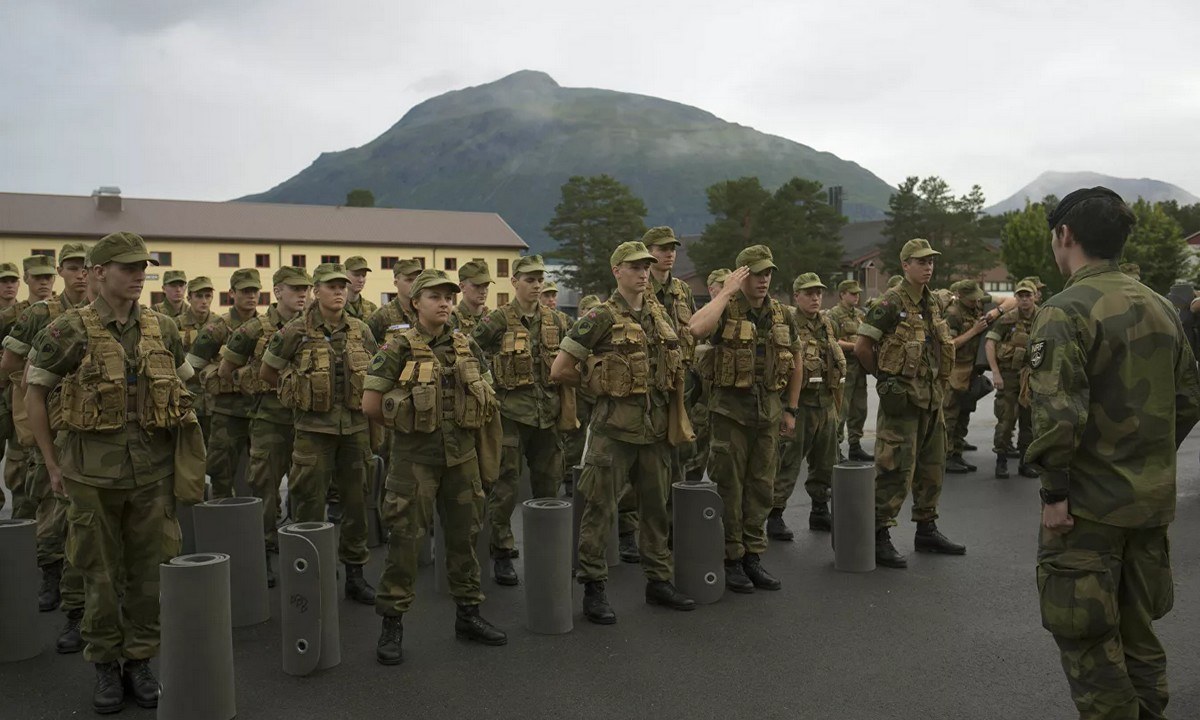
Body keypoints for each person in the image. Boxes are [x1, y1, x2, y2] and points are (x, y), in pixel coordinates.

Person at [1028, 187, 1200, 718]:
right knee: (1137, 631)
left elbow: (1057, 413)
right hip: (1146, 504)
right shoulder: (1161, 306)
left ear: (1065, 235)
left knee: (1086, 640)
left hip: (1088, 509)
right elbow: (1189, 399)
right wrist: (1146, 460)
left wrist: (1055, 492)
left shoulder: (1064, 310)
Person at [24, 231, 194, 714]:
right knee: (97, 574)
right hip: (90, 477)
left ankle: (138, 660)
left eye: (144, 266)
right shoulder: (69, 329)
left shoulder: (162, 328)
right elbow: (35, 391)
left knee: (146, 575)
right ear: (99, 272)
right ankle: (103, 663)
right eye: (127, 267)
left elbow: (186, 390)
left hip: (151, 474)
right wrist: (52, 464)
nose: (139, 275)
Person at [363, 269, 507, 664]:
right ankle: (392, 624)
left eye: (447, 296)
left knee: (465, 538)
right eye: (434, 297)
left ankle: (468, 615)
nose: (444, 303)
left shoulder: (466, 346)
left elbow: (488, 395)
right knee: (405, 543)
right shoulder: (397, 348)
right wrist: (406, 428)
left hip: (461, 460)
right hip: (414, 463)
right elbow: (371, 405)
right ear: (415, 304)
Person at [550, 241, 695, 623]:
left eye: (646, 266)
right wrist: (597, 388)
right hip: (613, 431)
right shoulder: (599, 316)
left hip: (655, 430)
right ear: (617, 271)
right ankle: (594, 587)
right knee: (600, 509)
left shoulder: (658, 313)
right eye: (634, 267)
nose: (643, 272)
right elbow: (561, 368)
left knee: (656, 509)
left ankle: (658, 581)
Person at [259, 263, 377, 605]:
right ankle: (310, 573)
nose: (339, 291)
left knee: (356, 503)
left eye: (342, 285)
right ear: (316, 290)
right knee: (310, 502)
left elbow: (375, 372)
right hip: (313, 431)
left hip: (354, 429)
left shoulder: (361, 330)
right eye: (331, 286)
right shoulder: (295, 331)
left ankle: (355, 573)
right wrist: (295, 393)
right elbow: (268, 371)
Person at [688, 245, 800, 593]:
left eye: (768, 273)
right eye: (756, 273)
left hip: (767, 414)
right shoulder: (725, 309)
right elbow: (696, 328)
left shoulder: (782, 314)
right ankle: (731, 559)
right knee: (730, 489)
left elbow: (796, 361)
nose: (764, 279)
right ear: (741, 274)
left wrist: (791, 409)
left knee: (761, 489)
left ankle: (753, 556)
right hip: (729, 416)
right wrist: (725, 293)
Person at [855, 238, 966, 569]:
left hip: (931, 401)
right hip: (902, 403)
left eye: (931, 261)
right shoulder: (890, 302)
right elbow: (863, 345)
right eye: (921, 261)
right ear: (905, 265)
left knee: (932, 468)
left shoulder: (931, 302)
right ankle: (877, 535)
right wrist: (883, 378)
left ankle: (926, 528)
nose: (928, 267)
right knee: (894, 469)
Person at [0, 242, 90, 618]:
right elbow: (10, 364)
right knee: (51, 508)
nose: (80, 273)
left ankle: (81, 590)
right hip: (48, 422)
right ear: (62, 272)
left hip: (88, 424)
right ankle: (51, 577)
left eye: (85, 266)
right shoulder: (40, 314)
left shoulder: (100, 314)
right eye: (72, 267)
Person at [471, 254, 571, 586]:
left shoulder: (557, 320)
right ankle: (501, 551)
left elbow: (575, 354)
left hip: (547, 416)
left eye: (540, 278)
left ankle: (548, 549)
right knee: (505, 485)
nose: (536, 284)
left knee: (549, 484)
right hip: (511, 414)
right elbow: (469, 349)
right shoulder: (499, 319)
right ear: (514, 282)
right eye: (529, 279)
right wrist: (487, 380)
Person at [218, 266, 312, 587]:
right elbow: (226, 369)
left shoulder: (314, 326)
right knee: (265, 488)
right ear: (277, 292)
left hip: (306, 420)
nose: (302, 294)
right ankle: (265, 555)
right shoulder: (254, 328)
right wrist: (256, 380)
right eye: (295, 289)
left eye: (306, 289)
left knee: (306, 486)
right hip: (270, 419)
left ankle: (304, 552)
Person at [769, 273, 845, 540]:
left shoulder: (826, 323)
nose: (815, 298)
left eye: (819, 293)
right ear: (796, 296)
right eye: (809, 293)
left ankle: (819, 510)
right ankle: (775, 514)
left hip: (825, 404)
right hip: (800, 405)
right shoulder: (787, 323)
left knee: (826, 462)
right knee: (788, 461)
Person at [942, 279, 1000, 474]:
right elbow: (949, 345)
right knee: (950, 416)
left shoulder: (976, 306)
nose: (976, 302)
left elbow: (1011, 302)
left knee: (964, 415)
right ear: (960, 296)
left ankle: (957, 453)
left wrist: (995, 312)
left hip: (972, 371)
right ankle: (946, 457)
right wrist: (974, 331)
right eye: (971, 299)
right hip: (956, 370)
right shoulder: (952, 314)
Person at [986, 280, 1039, 478]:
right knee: (1006, 419)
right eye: (1021, 296)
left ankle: (1025, 463)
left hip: (1031, 376)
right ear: (1016, 298)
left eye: (1028, 295)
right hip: (1008, 375)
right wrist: (995, 373)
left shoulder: (1043, 317)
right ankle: (1001, 461)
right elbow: (990, 343)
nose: (1025, 300)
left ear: (1035, 297)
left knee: (1029, 421)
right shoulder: (1007, 320)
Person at [684, 268, 730, 483]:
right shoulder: (702, 318)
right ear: (712, 289)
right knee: (695, 456)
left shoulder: (734, 319)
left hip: (725, 400)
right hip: (700, 401)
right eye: (723, 286)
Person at [826, 279, 871, 461]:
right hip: (843, 369)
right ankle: (835, 448)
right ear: (842, 294)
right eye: (852, 293)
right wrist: (855, 346)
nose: (856, 297)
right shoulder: (833, 315)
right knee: (841, 409)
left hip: (859, 368)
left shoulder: (860, 315)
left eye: (858, 293)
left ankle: (855, 445)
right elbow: (831, 341)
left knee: (859, 409)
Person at [561, 293, 601, 495]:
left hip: (599, 393)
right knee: (576, 436)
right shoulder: (577, 332)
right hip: (580, 392)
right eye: (589, 309)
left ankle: (593, 475)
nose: (593, 312)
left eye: (596, 308)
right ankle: (570, 476)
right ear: (582, 312)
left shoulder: (604, 331)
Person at [174, 276, 215, 440]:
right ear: (189, 298)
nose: (204, 301)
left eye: (208, 296)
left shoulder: (220, 324)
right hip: (186, 398)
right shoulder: (176, 324)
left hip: (214, 399)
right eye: (199, 296)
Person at [367, 258, 422, 346]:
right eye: (409, 280)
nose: (414, 284)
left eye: (417, 280)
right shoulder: (381, 315)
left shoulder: (426, 312)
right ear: (396, 283)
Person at [451, 259, 493, 336]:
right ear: (462, 287)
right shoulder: (451, 320)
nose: (483, 291)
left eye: (486, 286)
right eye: (477, 286)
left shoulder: (494, 319)